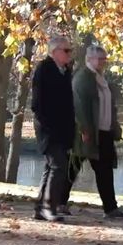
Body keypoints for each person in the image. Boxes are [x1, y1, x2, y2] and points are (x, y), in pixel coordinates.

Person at [69, 45, 123, 219]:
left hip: (104, 132)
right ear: (90, 59)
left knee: (105, 170)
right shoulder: (82, 78)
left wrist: (114, 127)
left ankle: (111, 208)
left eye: (105, 59)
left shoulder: (101, 79)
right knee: (72, 168)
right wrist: (84, 129)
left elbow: (110, 106)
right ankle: (57, 203)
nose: (103, 62)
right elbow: (79, 107)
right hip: (87, 134)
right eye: (100, 59)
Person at [31, 36, 75, 222]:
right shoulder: (44, 69)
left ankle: (41, 208)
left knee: (52, 167)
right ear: (55, 51)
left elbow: (68, 104)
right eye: (66, 51)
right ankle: (48, 208)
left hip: (62, 130)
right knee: (59, 166)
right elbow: (38, 103)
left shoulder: (65, 71)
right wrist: (48, 127)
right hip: (49, 129)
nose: (69, 55)